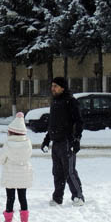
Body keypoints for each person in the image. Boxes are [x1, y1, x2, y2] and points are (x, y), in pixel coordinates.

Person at [41, 77, 85, 206]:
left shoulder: (70, 102)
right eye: (52, 86)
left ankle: (78, 196)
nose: (52, 88)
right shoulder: (55, 102)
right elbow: (52, 124)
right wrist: (46, 140)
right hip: (56, 142)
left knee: (69, 171)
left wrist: (76, 139)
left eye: (55, 86)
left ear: (62, 88)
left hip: (67, 141)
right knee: (57, 172)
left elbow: (79, 122)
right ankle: (57, 198)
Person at [0, 112, 33, 222]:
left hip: (10, 175)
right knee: (23, 198)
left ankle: (8, 218)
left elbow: (1, 159)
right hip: (23, 174)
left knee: (10, 198)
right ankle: (24, 219)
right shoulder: (28, 143)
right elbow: (28, 156)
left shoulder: (8, 144)